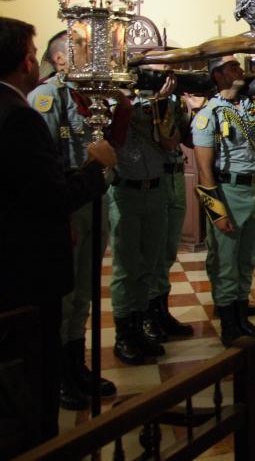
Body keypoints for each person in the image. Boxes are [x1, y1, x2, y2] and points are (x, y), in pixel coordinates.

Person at [0, 17, 116, 454]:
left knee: (81, 294)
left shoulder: (82, 95)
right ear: (30, 60)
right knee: (33, 365)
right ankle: (53, 404)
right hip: (35, 246)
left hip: (45, 224)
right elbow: (45, 184)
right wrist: (95, 166)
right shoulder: (25, 113)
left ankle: (73, 363)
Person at [27, 31, 124, 408]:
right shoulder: (46, 96)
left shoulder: (90, 96)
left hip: (92, 197)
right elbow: (47, 160)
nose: (91, 54)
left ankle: (76, 363)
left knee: (83, 289)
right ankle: (59, 375)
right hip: (67, 205)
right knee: (65, 295)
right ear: (62, 58)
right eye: (82, 49)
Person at [191, 56, 255, 347]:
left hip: (252, 190)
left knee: (247, 258)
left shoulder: (250, 107)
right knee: (226, 262)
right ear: (217, 75)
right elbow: (203, 171)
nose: (240, 70)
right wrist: (217, 212)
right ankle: (229, 325)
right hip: (226, 191)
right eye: (232, 67)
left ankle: (241, 318)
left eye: (239, 66)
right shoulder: (208, 114)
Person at [108, 77, 179, 365]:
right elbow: (115, 137)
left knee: (150, 263)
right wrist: (139, 105)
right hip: (126, 190)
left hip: (156, 188)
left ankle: (140, 327)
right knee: (127, 267)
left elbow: (170, 142)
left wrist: (160, 104)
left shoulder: (162, 103)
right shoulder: (112, 100)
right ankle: (123, 334)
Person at [144, 91, 195, 341]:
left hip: (175, 176)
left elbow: (189, 139)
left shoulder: (175, 103)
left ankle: (162, 311)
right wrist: (161, 101)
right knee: (152, 253)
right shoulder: (145, 104)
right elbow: (166, 140)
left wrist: (194, 109)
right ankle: (147, 315)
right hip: (158, 179)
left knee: (167, 252)